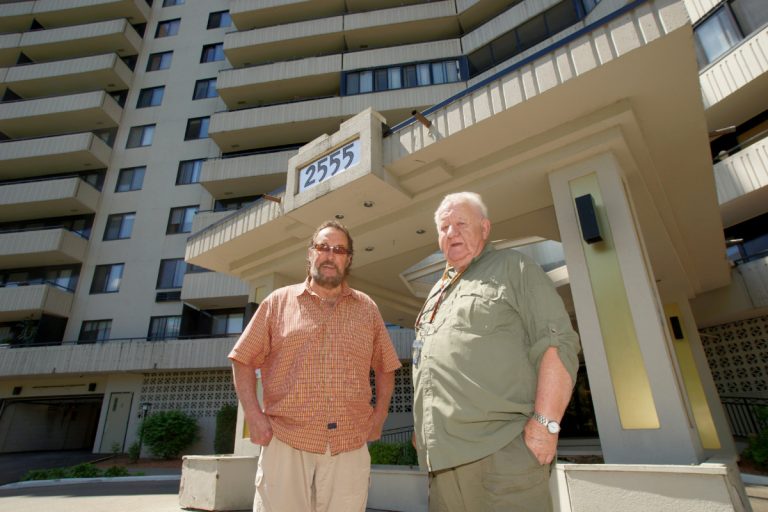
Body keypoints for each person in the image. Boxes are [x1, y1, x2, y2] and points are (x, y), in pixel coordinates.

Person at [412, 192, 581, 512]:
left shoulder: (514, 268)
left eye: (461, 223)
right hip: (440, 469)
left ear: (485, 228)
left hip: (501, 455)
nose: (452, 232)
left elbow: (556, 342)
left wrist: (546, 424)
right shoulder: (435, 292)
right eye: (444, 227)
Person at [229, 220, 402, 512]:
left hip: (349, 444)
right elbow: (242, 358)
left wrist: (380, 415)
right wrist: (254, 416)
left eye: (339, 249)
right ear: (310, 254)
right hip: (286, 442)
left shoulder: (367, 308)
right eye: (323, 247)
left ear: (348, 260)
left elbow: (386, 365)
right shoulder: (278, 303)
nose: (329, 255)